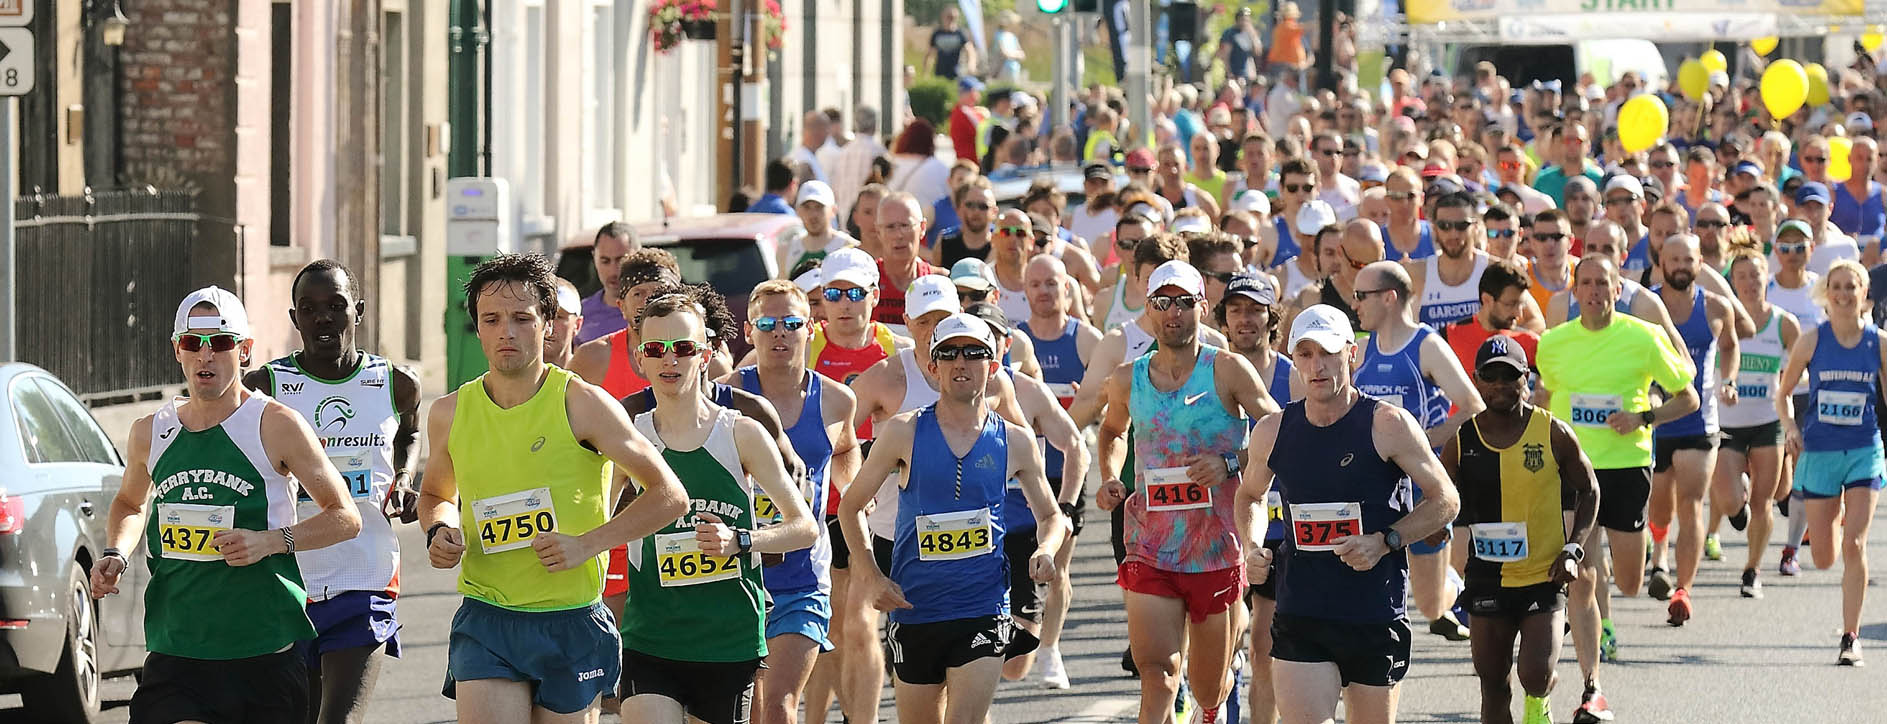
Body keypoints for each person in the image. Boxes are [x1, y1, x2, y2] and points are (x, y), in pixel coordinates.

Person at [418, 253, 691, 723]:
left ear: (548, 323)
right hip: (488, 615)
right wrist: (438, 530)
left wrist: (588, 544)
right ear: (477, 328)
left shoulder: (583, 404)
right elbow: (436, 495)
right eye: (492, 319)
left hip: (570, 618)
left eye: (522, 318)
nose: (506, 332)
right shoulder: (449, 412)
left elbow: (669, 495)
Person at [92, 286, 364, 724]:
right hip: (177, 649)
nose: (206, 355)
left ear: (244, 350)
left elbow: (345, 517)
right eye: (192, 343)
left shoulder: (275, 425)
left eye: (220, 343)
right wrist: (116, 553)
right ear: (177, 350)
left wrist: (270, 542)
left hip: (263, 652)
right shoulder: (150, 431)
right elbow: (129, 502)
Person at [1234, 304, 1462, 724]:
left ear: (1351, 354)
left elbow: (1445, 499)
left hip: (1372, 612)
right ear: (1293, 358)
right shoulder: (1273, 431)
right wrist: (1251, 546)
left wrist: (1386, 540)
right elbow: (1249, 495)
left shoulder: (1388, 424)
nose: (1316, 365)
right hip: (1301, 610)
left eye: (1328, 352)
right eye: (1305, 354)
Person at [841, 313, 1068, 724]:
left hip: (983, 606)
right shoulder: (903, 432)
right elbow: (850, 506)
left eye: (973, 353)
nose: (960, 362)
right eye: (948, 353)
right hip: (915, 608)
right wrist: (872, 577)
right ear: (933, 367)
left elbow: (1051, 515)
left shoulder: (1015, 441)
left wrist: (1047, 549)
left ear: (993, 365)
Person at [619, 292, 821, 724]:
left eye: (683, 348)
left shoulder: (741, 433)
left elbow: (804, 527)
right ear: (640, 358)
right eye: (655, 349)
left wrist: (741, 540)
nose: (669, 360)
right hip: (650, 637)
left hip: (728, 642)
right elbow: (592, 513)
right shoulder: (630, 438)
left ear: (705, 355)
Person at [1093, 260, 1281, 724]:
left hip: (1214, 549)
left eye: (1183, 301)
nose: (1172, 312)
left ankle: (1216, 699)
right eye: (1162, 302)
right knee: (1157, 676)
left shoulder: (1228, 370)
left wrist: (1231, 462)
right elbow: (1112, 431)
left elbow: (1278, 429)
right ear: (1148, 309)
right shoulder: (1127, 378)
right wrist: (1111, 475)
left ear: (1202, 306)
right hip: (1149, 544)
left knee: (1207, 686)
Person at [242, 261, 423, 724]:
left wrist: (404, 478)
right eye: (309, 308)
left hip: (365, 576)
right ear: (294, 318)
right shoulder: (265, 388)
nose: (323, 318)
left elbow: (409, 433)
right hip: (289, 582)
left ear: (358, 311)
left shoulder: (395, 383)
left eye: (336, 306)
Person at [1536, 256, 1698, 724]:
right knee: (1581, 578)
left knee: (1629, 582)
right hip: (1573, 471)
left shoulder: (1643, 337)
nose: (1593, 291)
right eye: (1585, 283)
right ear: (1574, 291)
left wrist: (1643, 417)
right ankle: (1593, 687)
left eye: (1602, 283)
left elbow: (1688, 398)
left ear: (1617, 289)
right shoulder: (1553, 343)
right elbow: (1546, 395)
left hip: (1627, 468)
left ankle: (1610, 566)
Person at [724, 281, 864, 724]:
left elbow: (845, 449)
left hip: (804, 577)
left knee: (779, 705)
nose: (779, 333)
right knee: (743, 710)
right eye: (767, 324)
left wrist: (855, 493)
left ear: (811, 328)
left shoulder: (838, 400)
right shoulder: (724, 396)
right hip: (735, 575)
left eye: (791, 323)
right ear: (749, 331)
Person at [1447, 336, 1600, 724]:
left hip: (1543, 575)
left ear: (1526, 378)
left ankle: (1540, 698)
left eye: (1509, 375)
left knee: (1535, 674)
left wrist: (1573, 550)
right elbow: (1441, 497)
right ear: (1476, 380)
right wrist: (1438, 527)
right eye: (1490, 376)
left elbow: (1589, 490)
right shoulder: (1463, 440)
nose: (1500, 384)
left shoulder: (1552, 432)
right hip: (1486, 577)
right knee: (1493, 684)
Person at [1351, 260, 1487, 642]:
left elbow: (1474, 407)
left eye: (1361, 295)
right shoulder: (1362, 349)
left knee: (1430, 605)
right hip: (1372, 488)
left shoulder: (1426, 346)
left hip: (1421, 490)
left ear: (1389, 298)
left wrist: (1423, 439)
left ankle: (1457, 580)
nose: (1354, 303)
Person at [1774, 259, 1886, 667]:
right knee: (1824, 557)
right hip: (1820, 453)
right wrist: (1790, 427)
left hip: (1863, 450)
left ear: (1864, 293)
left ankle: (1850, 637)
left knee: (1855, 545)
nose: (1843, 294)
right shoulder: (1812, 340)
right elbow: (1783, 393)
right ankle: (1833, 517)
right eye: (1836, 286)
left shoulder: (1879, 342)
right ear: (1826, 293)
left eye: (1851, 286)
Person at [1644, 234, 1742, 625]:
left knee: (1691, 503)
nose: (1681, 266)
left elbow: (1731, 345)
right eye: (1674, 259)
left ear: (1701, 262)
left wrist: (1728, 379)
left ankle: (1683, 589)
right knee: (1659, 504)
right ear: (1661, 262)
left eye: (1689, 259)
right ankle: (1659, 555)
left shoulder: (1716, 306)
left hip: (1700, 423)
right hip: (1654, 421)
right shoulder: (1644, 306)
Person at [1017, 253, 1104, 688]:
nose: (1044, 291)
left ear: (1067, 288)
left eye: (1052, 283)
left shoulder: (1085, 340)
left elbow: (1108, 404)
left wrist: (1087, 404)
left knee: (1057, 564)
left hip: (1066, 468)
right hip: (1021, 475)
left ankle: (1050, 649)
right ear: (1024, 291)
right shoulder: (1015, 341)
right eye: (1035, 284)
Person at [1216, 273, 1298, 724]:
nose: (1245, 319)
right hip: (1215, 527)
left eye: (1255, 310)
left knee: (1264, 645)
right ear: (1223, 319)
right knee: (1221, 642)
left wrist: (1232, 462)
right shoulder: (1208, 373)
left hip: (1278, 531)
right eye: (1236, 310)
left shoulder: (1295, 376)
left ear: (1272, 318)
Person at [1712, 250, 1800, 598]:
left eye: (1756, 275)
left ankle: (1752, 570)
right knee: (1729, 500)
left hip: (1767, 421)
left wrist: (1789, 392)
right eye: (1742, 276)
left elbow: (1797, 370)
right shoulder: (1720, 320)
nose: (1749, 283)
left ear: (1767, 278)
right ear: (1732, 282)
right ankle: (1738, 504)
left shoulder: (1784, 323)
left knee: (1766, 500)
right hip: (1726, 423)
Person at [1440, 260, 1540, 375]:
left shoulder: (1531, 343)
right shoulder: (1449, 337)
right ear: (1486, 299)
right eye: (1510, 304)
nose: (1519, 314)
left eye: (1522, 305)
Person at [874, 193, 944, 334]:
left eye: (905, 225)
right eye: (890, 227)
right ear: (878, 231)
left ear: (922, 228)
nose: (898, 235)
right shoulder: (865, 281)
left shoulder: (940, 282)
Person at [576, 223, 639, 344]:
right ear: (594, 258)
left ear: (637, 256)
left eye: (621, 260)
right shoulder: (580, 314)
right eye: (605, 261)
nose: (613, 271)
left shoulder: (654, 312)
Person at [779, 180, 857, 276]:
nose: (813, 215)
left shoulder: (850, 247)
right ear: (798, 211)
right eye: (807, 207)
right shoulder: (786, 251)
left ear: (833, 210)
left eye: (819, 207)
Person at [925, 6, 977, 81]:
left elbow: (970, 50)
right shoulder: (937, 34)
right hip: (940, 72)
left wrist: (971, 65)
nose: (951, 19)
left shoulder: (960, 34)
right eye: (949, 17)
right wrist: (926, 73)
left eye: (953, 17)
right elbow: (930, 54)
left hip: (957, 73)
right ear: (943, 17)